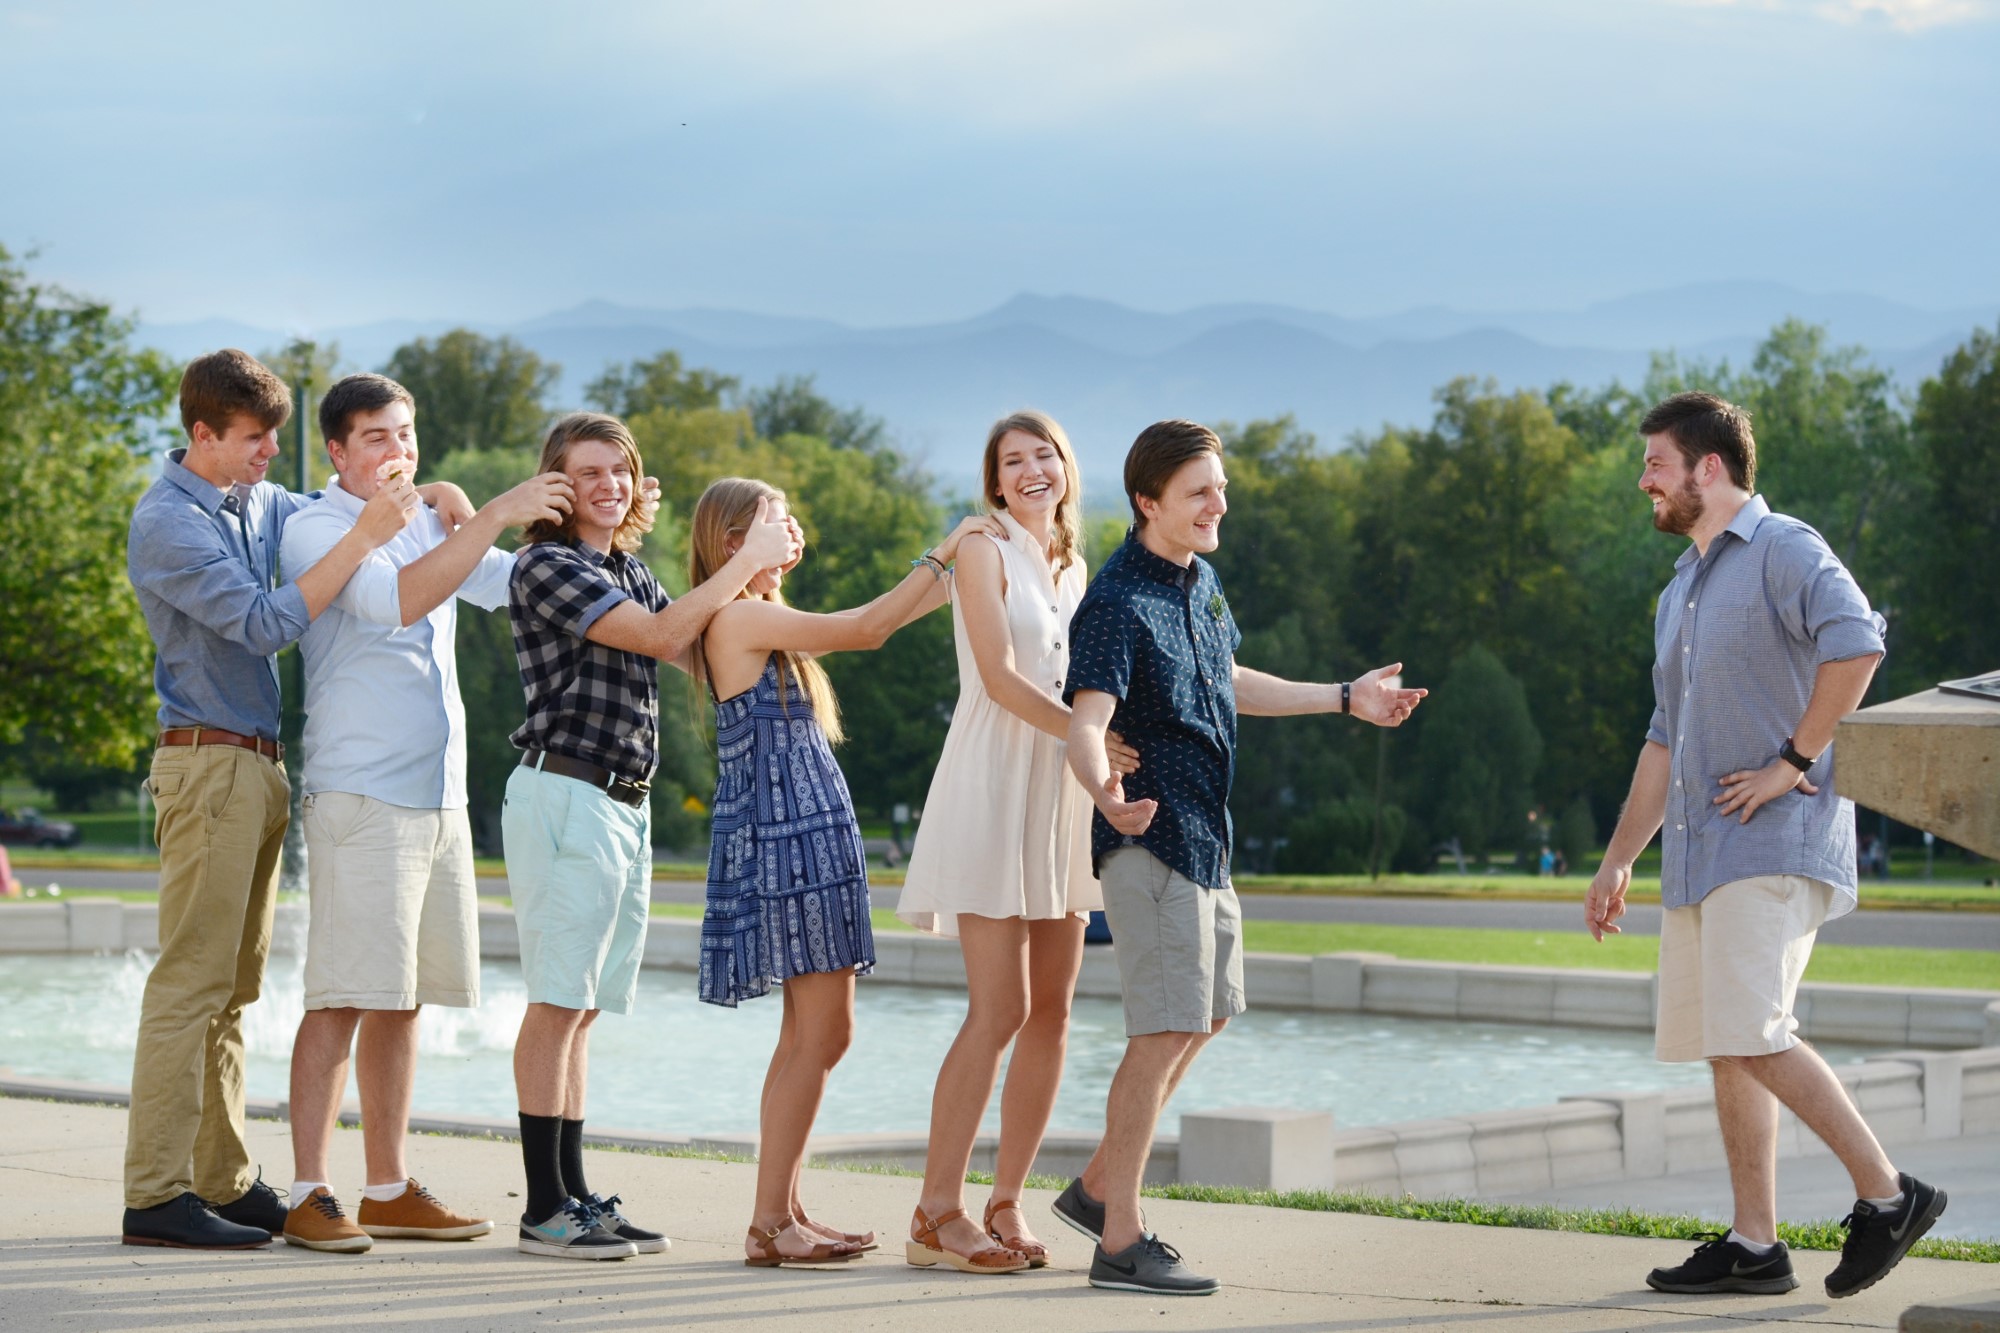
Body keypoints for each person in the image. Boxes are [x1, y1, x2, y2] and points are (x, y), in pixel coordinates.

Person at [1585, 392, 1946, 1300]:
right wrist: (1621, 855)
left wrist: (1794, 760)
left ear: (1709, 468)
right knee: (1726, 1040)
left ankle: (1889, 1194)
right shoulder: (1681, 590)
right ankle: (1755, 1243)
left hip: (1776, 838)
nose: (1646, 479)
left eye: (1657, 463)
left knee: (1753, 1029)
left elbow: (1858, 646)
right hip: (1701, 851)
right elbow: (1663, 739)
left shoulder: (1786, 546)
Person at [1060, 419, 1427, 1296]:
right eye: (1197, 491)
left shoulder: (1201, 582)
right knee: (1161, 1032)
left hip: (1207, 841)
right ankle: (1120, 1239)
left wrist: (1346, 698)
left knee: (1208, 1013)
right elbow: (1085, 722)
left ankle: (1100, 1185)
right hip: (1150, 839)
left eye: (1219, 487)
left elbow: (1226, 678)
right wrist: (1106, 796)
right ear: (1149, 502)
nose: (1217, 502)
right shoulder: (1116, 601)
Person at [121, 349, 467, 1250]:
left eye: (277, 435)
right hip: (206, 764)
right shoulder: (168, 525)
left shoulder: (254, 502)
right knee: (188, 983)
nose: (271, 452)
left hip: (258, 765)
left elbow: (342, 500)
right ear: (202, 434)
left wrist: (442, 494)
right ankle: (155, 1194)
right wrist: (366, 537)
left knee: (232, 990)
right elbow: (269, 622)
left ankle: (225, 1179)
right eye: (251, 439)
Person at [276, 373, 575, 1252]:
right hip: (360, 792)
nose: (396, 452)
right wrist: (484, 510)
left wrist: (588, 522)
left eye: (405, 435)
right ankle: (308, 1189)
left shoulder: (424, 521)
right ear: (336, 450)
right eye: (375, 438)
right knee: (341, 996)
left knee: (402, 1001)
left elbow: (508, 585)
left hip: (439, 794)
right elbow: (393, 601)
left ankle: (389, 1184)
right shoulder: (318, 526)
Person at [686, 476, 1002, 1269]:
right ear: (734, 541)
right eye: (775, 520)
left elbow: (881, 618)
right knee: (821, 1032)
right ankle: (768, 1220)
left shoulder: (763, 617)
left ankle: (782, 1211)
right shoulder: (741, 615)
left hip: (808, 838)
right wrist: (944, 551)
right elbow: (868, 628)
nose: (793, 530)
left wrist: (963, 568)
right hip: (787, 841)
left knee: (812, 1033)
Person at [504, 413, 799, 1261]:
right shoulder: (546, 566)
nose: (608, 485)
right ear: (556, 482)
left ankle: (575, 1195)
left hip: (618, 804)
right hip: (567, 793)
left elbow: (705, 652)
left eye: (621, 471)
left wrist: (766, 573)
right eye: (588, 471)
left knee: (584, 1008)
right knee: (558, 1001)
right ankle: (543, 1208)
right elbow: (667, 635)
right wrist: (743, 563)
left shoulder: (627, 565)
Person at [897, 411, 1136, 1275]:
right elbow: (999, 678)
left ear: (1067, 468)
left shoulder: (1076, 565)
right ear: (995, 481)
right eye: (1013, 460)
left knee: (1054, 1011)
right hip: (997, 784)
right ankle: (935, 1210)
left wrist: (1101, 754)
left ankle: (1005, 1201)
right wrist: (1089, 741)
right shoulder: (981, 547)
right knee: (997, 1008)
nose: (1032, 469)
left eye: (1046, 455)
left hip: (1064, 799)